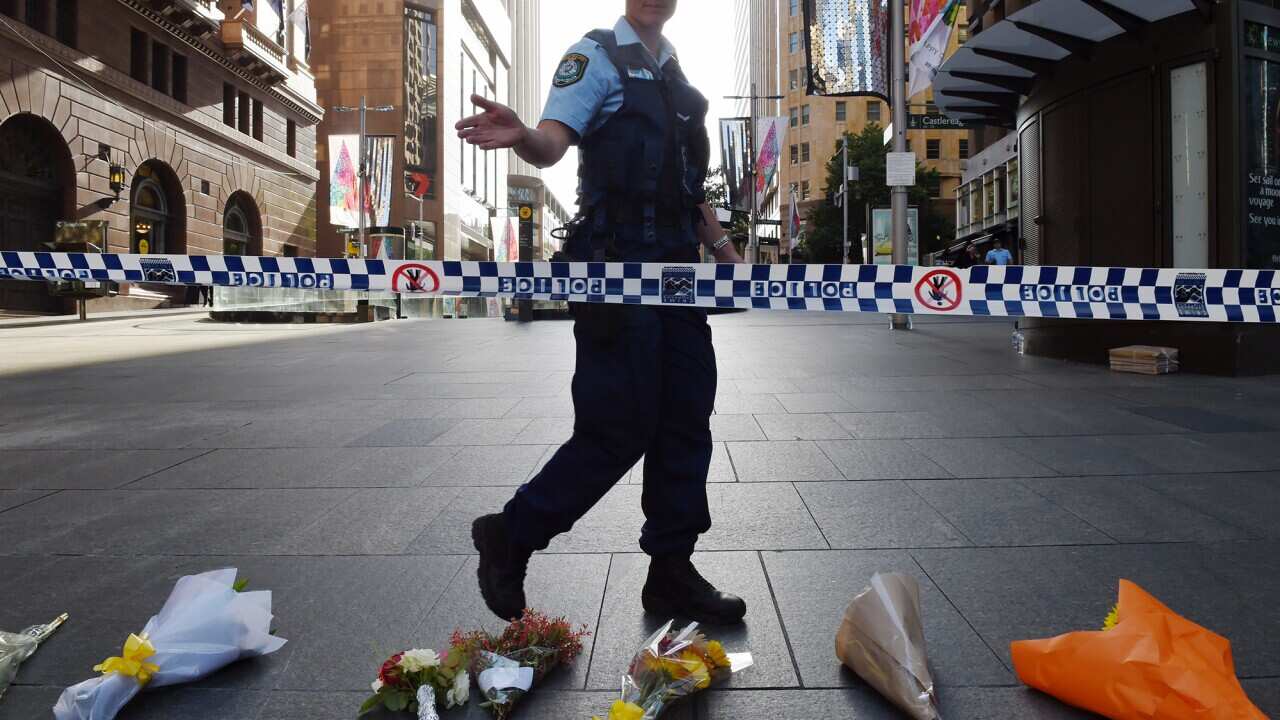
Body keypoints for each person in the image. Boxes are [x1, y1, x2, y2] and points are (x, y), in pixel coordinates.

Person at [456, 0, 748, 625]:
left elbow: (687, 192)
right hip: (614, 268)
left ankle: (670, 571)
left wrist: (726, 253)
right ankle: (512, 532)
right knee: (619, 423)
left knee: (686, 419)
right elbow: (550, 144)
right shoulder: (594, 55)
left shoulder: (673, 70)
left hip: (676, 275)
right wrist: (524, 137)